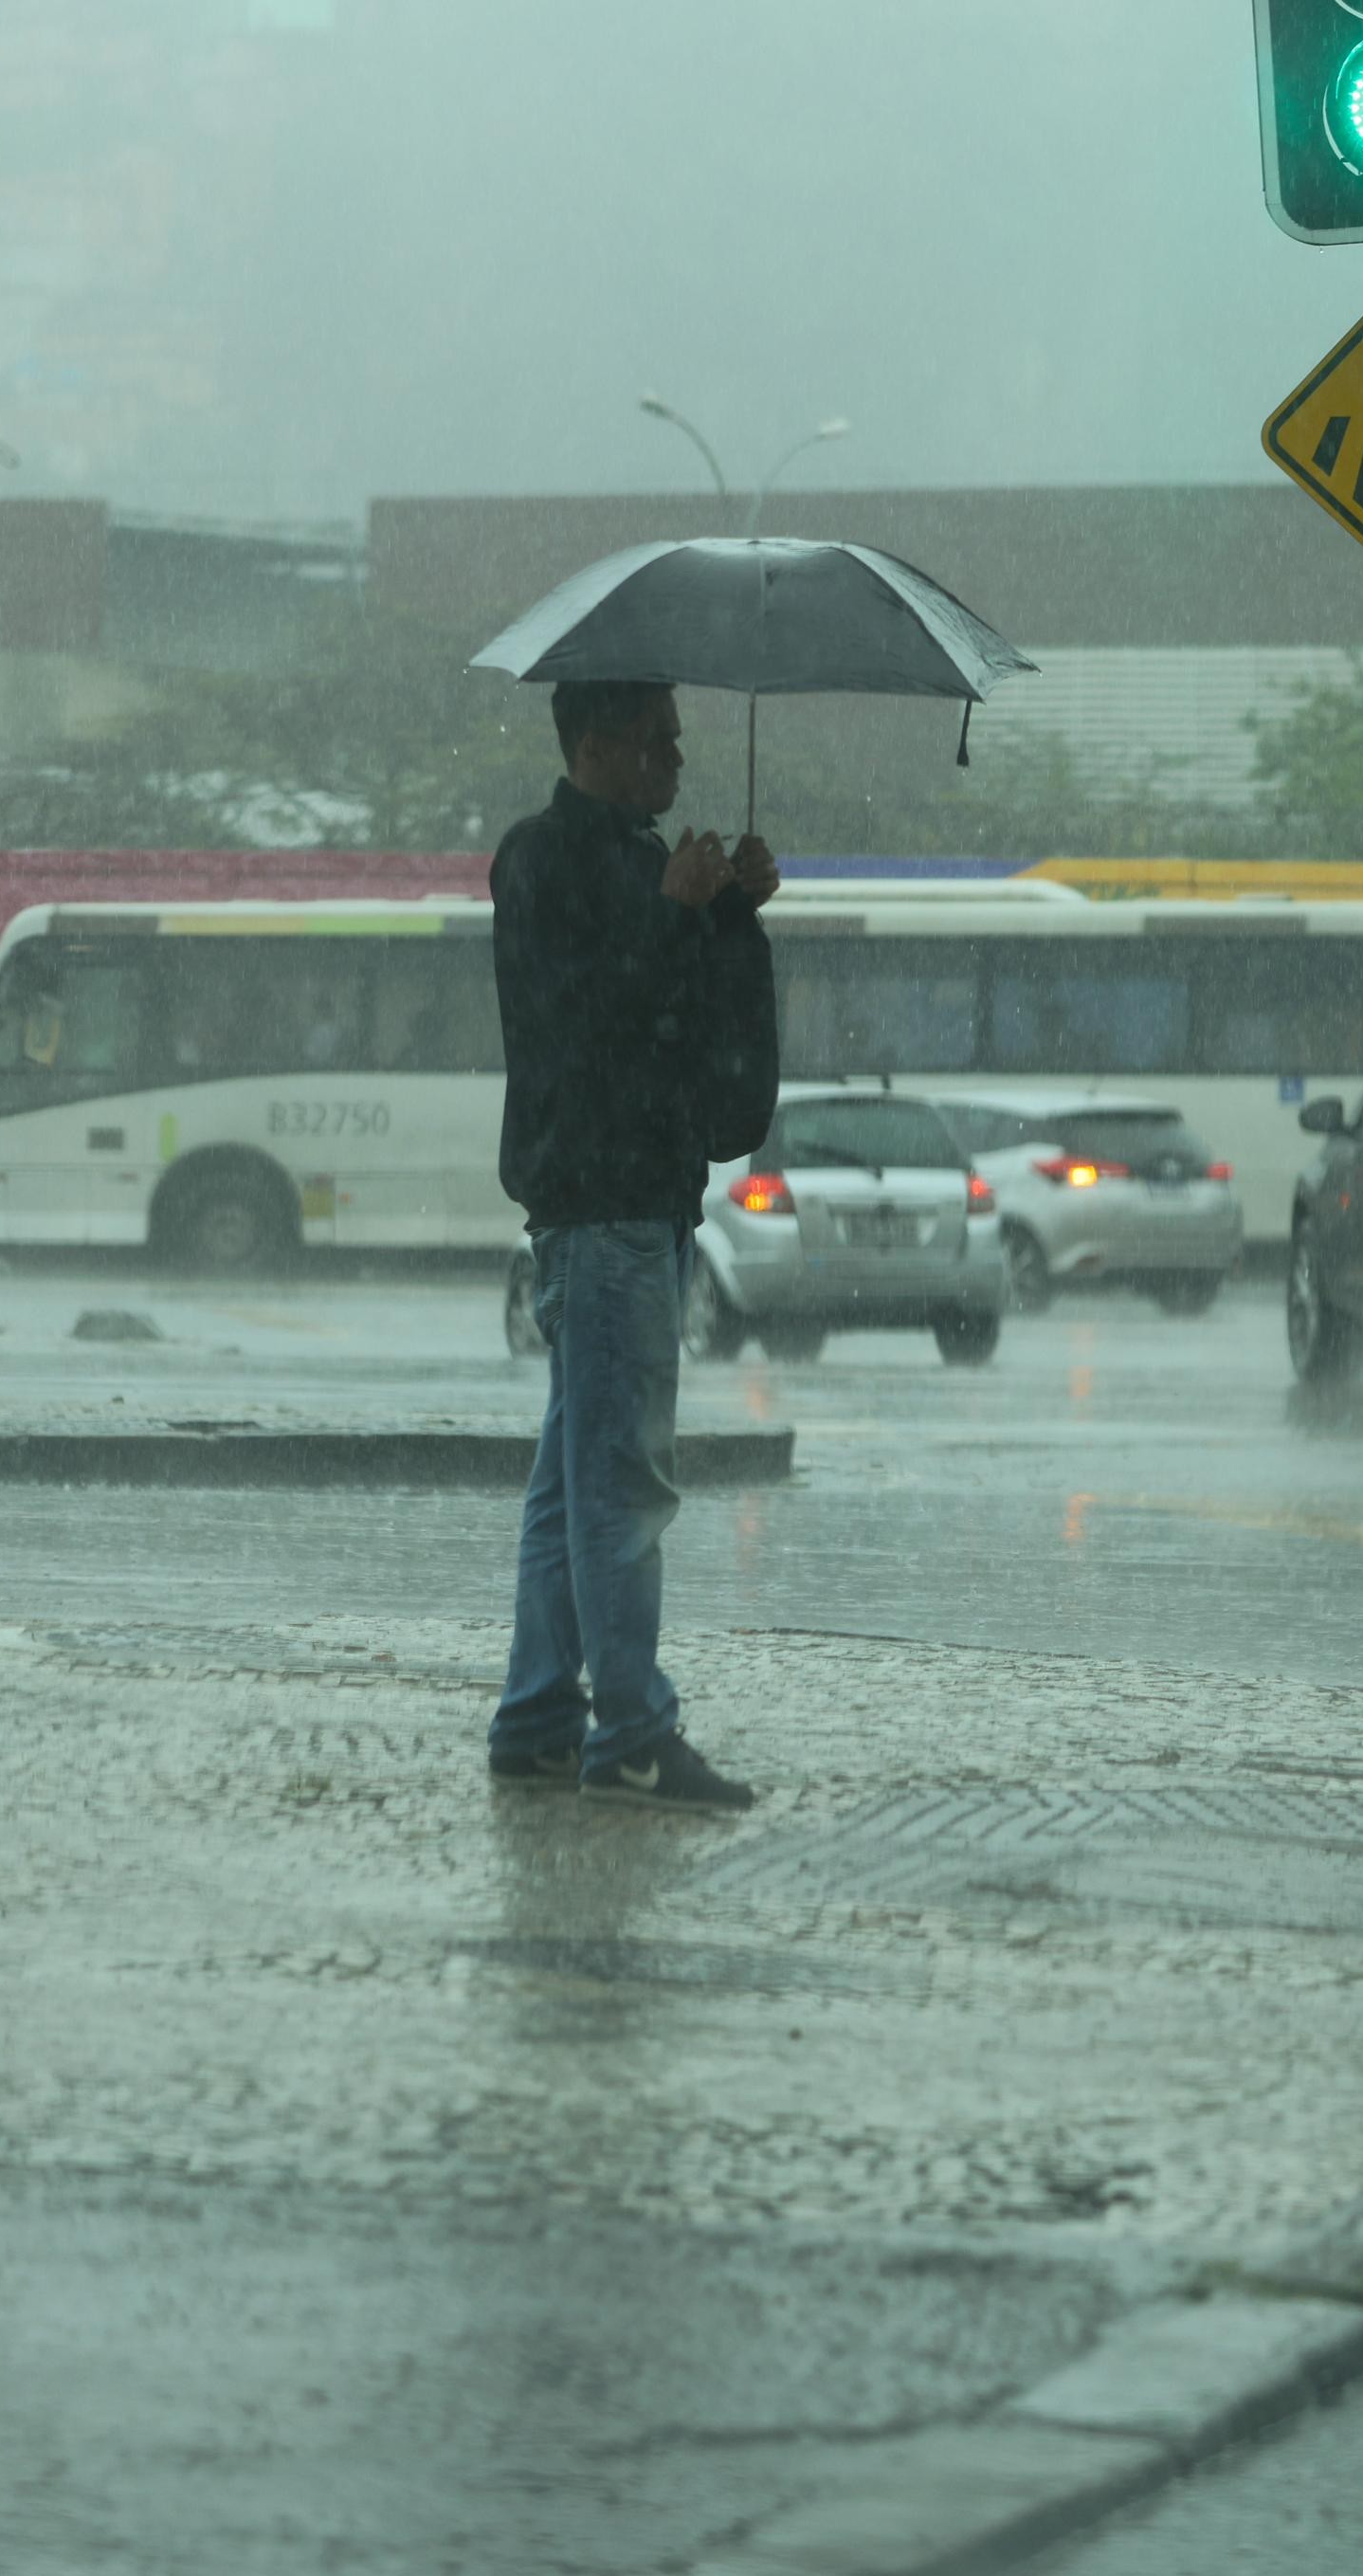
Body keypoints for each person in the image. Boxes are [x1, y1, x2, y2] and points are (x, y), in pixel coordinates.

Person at [483, 680, 780, 1811]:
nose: (674, 759)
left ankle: (539, 1716)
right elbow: (589, 1020)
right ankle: (634, 1734)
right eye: (655, 739)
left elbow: (690, 1023)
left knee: (571, 1482)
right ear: (596, 745)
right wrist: (671, 906)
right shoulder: (544, 860)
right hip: (600, 1210)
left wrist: (727, 911)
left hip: (636, 1202)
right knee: (619, 1481)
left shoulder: (637, 860)